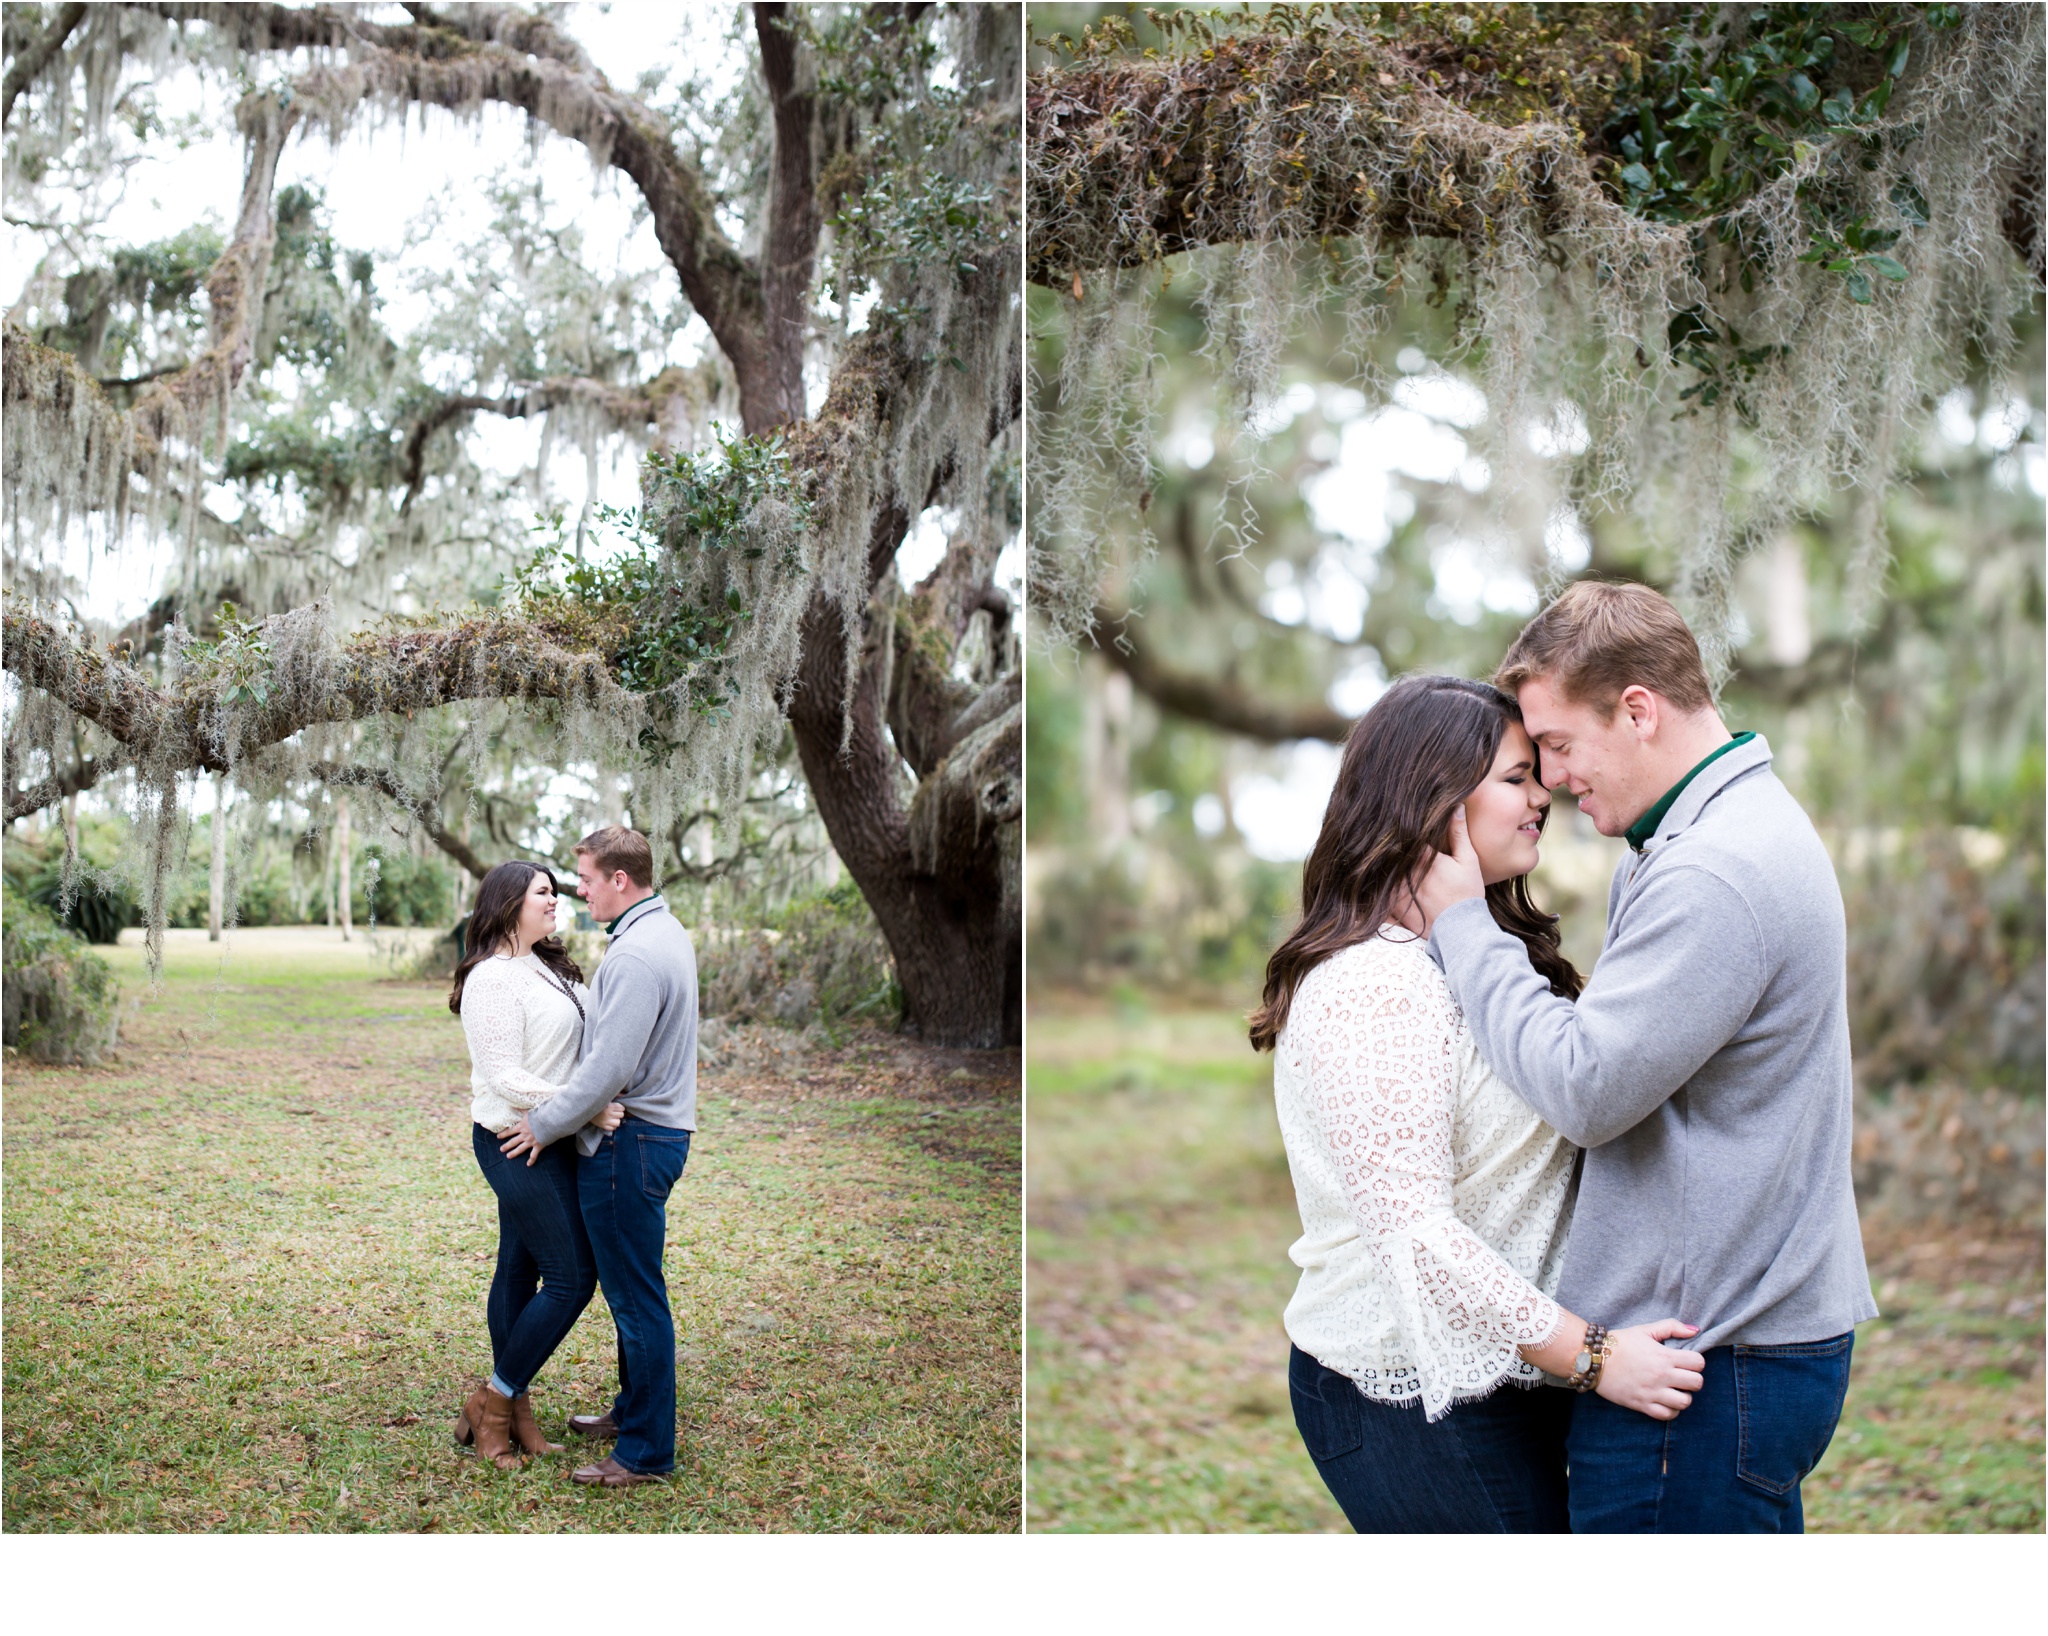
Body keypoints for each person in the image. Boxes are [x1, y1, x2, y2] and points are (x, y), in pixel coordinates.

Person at [1416, 580, 1877, 1533]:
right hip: (1730, 1351)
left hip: (1702, 1367)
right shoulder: (1714, 833)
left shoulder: (1714, 871)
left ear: (1637, 710)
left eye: (1556, 744)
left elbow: (1587, 1087)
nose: (1548, 779)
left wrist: (1462, 925)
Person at [1253, 673, 1705, 1533]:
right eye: (1515, 778)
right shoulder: (1372, 984)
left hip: (1505, 1369)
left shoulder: (1468, 957)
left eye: (1539, 772)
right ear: (1432, 799)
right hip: (1405, 1393)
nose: (1545, 796)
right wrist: (1597, 1358)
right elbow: (1417, 1238)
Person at [499, 825, 699, 1488]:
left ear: (620, 879)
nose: (576, 891)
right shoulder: (661, 932)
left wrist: (546, 1124)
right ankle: (631, 1410)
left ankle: (645, 1452)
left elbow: (608, 1066)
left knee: (636, 1298)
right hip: (651, 1136)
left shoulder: (638, 955)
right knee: (632, 1292)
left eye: (585, 878)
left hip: (631, 1141)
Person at [449, 861, 624, 1469]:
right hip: (512, 1139)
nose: (557, 900)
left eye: (556, 891)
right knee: (573, 1276)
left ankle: (512, 1405)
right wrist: (586, 1106)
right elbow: (506, 1077)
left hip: (552, 1136)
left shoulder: (550, 965)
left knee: (518, 1270)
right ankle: (495, 1402)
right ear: (508, 904)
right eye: (543, 893)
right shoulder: (491, 979)